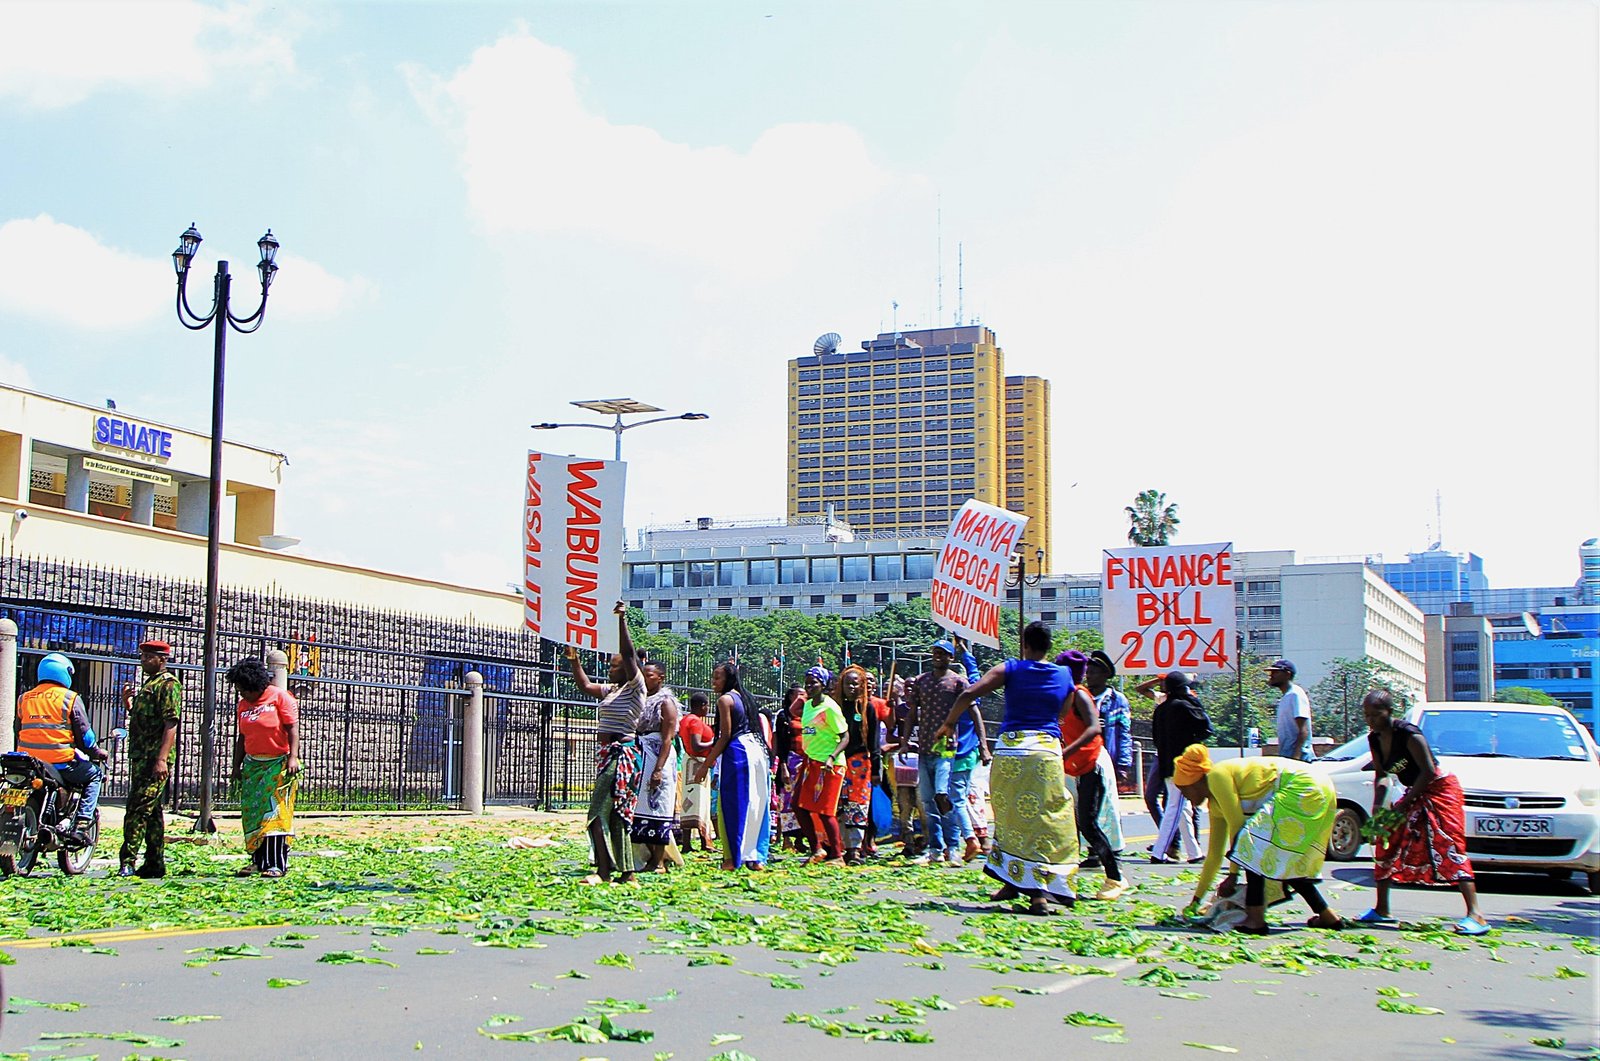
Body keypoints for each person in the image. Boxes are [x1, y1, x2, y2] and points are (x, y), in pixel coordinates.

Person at [936, 621, 1077, 915]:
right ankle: (1023, 885)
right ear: (1049, 646)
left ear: (1024, 644)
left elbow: (967, 694)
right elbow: (1064, 711)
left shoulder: (1010, 669)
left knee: (1010, 815)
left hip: (1012, 750)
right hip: (1046, 751)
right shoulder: (1065, 674)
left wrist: (949, 724)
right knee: (1044, 819)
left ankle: (1033, 889)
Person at [1175, 744, 1344, 934]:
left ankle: (1255, 918)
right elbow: (1214, 854)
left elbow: (1237, 827)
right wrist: (1196, 900)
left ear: (1195, 781)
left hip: (1304, 785)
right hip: (1319, 786)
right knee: (1283, 861)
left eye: (1184, 790)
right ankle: (1327, 915)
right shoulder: (1215, 805)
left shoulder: (1216, 776)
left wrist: (1233, 875)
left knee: (1251, 845)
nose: (1185, 797)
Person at [1357, 690, 1489, 935]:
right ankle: (1382, 909)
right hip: (1413, 791)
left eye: (1376, 714)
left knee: (1447, 843)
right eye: (1367, 715)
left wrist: (1405, 804)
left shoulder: (1408, 733)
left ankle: (1476, 915)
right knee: (1384, 837)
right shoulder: (1374, 738)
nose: (1371, 720)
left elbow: (1428, 771)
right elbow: (1383, 776)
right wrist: (1378, 808)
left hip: (1439, 789)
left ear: (1389, 712)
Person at [566, 604, 646, 885]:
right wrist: (575, 660)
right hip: (608, 755)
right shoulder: (611, 690)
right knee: (615, 815)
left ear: (627, 669)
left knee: (596, 813)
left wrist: (622, 619)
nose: (610, 669)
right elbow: (586, 687)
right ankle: (627, 873)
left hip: (621, 755)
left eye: (614, 666)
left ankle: (604, 870)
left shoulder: (636, 688)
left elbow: (627, 652)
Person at [16, 653, 106, 844]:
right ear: (65, 673)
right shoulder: (70, 698)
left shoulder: (24, 698)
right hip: (59, 763)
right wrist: (96, 752)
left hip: (28, 762)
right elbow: (85, 736)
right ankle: (82, 824)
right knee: (94, 775)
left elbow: (18, 728)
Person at [1056, 650, 1125, 899]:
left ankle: (1115, 878)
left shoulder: (1080, 695)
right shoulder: (1061, 695)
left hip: (1091, 764)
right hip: (1071, 766)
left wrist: (1067, 751)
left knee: (1088, 823)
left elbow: (1094, 728)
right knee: (1067, 823)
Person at [225, 658, 301, 879]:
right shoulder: (243, 705)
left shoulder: (280, 697)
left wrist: (293, 757)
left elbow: (292, 728)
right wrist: (236, 765)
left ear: (255, 685)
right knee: (254, 815)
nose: (241, 695)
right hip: (253, 765)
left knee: (274, 814)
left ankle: (276, 863)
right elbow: (242, 736)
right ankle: (257, 861)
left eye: (243, 690)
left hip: (277, 764)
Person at [902, 639, 969, 867]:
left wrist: (984, 745)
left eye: (943, 653)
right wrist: (904, 742)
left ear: (951, 657)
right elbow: (912, 714)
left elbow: (974, 711)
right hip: (923, 748)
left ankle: (954, 847)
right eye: (935, 652)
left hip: (945, 749)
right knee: (928, 802)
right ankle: (935, 849)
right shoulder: (922, 681)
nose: (938, 656)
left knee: (943, 796)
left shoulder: (959, 682)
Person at [119, 639, 181, 879]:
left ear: (162, 659)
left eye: (148, 657)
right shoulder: (150, 683)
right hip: (141, 755)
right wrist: (129, 703)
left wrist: (162, 759)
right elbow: (145, 717)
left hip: (155, 757)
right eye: (142, 657)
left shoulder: (168, 684)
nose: (143, 661)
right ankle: (155, 862)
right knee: (151, 810)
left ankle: (128, 860)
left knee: (136, 809)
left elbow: (170, 722)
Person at [703, 661, 771, 870]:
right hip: (757, 752)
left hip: (738, 753)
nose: (713, 682)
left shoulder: (725, 700)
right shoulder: (745, 697)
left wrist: (705, 765)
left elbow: (725, 736)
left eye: (717, 677)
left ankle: (733, 859)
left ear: (728, 679)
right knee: (757, 804)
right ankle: (756, 857)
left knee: (733, 806)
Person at [1151, 670, 1210, 864]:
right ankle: (1158, 853)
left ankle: (1194, 853)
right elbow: (1206, 728)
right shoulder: (1185, 706)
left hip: (1167, 764)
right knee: (1175, 807)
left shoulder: (1161, 709)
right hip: (1185, 766)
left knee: (1182, 809)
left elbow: (1156, 738)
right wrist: (1194, 701)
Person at [794, 666, 848, 865]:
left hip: (829, 764)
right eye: (807, 683)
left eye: (813, 683)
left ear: (823, 685)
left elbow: (845, 736)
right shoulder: (808, 706)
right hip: (811, 763)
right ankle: (816, 848)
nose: (809, 686)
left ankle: (837, 855)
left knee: (826, 810)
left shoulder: (830, 708)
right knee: (798, 805)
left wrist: (832, 757)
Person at [632, 661, 681, 872]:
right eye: (644, 674)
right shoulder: (642, 698)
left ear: (660, 677)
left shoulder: (666, 702)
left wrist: (658, 769)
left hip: (658, 756)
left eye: (650, 675)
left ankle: (659, 860)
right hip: (642, 754)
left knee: (658, 807)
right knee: (642, 808)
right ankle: (649, 856)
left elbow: (668, 738)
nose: (645, 678)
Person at [949, 637, 992, 862]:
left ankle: (977, 840)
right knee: (961, 797)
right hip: (960, 753)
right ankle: (964, 841)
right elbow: (974, 670)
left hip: (964, 753)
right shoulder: (964, 693)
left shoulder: (969, 695)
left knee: (963, 797)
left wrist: (964, 652)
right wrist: (964, 652)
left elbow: (974, 673)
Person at [835, 665, 883, 864]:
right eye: (848, 683)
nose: (852, 687)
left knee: (858, 806)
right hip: (838, 761)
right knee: (839, 805)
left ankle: (854, 849)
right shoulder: (835, 706)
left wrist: (876, 768)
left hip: (860, 763)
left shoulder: (867, 708)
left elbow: (874, 740)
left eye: (856, 683)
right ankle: (838, 847)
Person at [1086, 651, 1134, 792]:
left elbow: (1124, 733)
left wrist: (1123, 765)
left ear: (1105, 675)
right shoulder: (1081, 696)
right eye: (1087, 672)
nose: (1088, 676)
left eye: (1093, 672)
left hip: (1107, 759)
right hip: (1085, 760)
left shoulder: (1117, 700)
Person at [676, 692, 716, 854]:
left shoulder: (685, 719)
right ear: (703, 705)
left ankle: (687, 843)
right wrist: (717, 741)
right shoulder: (695, 722)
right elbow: (697, 745)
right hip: (698, 763)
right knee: (700, 802)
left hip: (689, 762)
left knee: (688, 802)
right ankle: (705, 841)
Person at [773, 686, 809, 854]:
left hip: (806, 761)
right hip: (790, 761)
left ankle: (801, 838)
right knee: (787, 800)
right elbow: (780, 742)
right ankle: (787, 838)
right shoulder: (783, 716)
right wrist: (783, 766)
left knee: (804, 800)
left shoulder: (809, 714)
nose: (802, 697)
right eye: (798, 694)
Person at [1268, 660, 1314, 761]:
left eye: (1276, 672)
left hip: (1300, 759)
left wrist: (1296, 758)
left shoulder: (1295, 694)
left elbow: (1303, 730)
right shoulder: (1286, 696)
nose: (1271, 675)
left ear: (1287, 674)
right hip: (1287, 756)